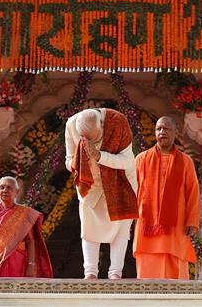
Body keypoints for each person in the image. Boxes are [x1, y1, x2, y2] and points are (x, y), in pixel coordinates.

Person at [64, 107, 138, 279]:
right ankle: (90, 272)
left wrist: (99, 156)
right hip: (91, 183)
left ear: (102, 125)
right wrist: (81, 161)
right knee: (89, 224)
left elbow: (127, 161)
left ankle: (115, 273)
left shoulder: (118, 122)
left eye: (95, 137)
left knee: (121, 227)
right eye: (86, 138)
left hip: (120, 180)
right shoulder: (71, 125)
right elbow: (68, 160)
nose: (91, 141)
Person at [133, 116, 200, 280]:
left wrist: (191, 221)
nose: (162, 132)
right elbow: (132, 190)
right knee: (148, 268)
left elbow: (192, 192)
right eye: (158, 129)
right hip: (147, 225)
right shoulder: (141, 159)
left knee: (175, 268)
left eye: (166, 129)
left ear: (175, 132)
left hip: (176, 226)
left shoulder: (185, 161)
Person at [0, 176, 53, 278]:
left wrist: (31, 264)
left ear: (17, 191)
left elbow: (30, 241)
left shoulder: (23, 213)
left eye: (9, 188)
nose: (5, 190)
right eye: (2, 187)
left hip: (16, 260)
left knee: (14, 291)